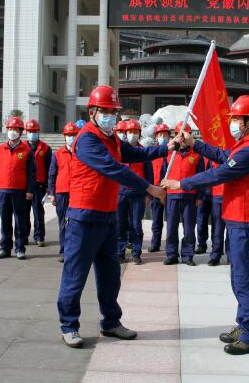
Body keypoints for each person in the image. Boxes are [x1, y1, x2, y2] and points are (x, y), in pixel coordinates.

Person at [56, 85, 167, 348]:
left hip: (107, 217)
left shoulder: (113, 139)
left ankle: (111, 322)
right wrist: (148, 187)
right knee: (75, 275)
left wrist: (167, 147)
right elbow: (114, 169)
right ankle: (69, 325)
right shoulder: (87, 139)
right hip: (83, 218)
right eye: (105, 111)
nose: (110, 116)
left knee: (110, 276)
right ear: (92, 111)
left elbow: (137, 153)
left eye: (113, 112)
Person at [162, 95, 249, 355]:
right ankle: (244, 325)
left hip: (247, 222)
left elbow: (218, 173)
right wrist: (195, 143)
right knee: (239, 277)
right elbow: (222, 156)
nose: (233, 123)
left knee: (247, 279)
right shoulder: (243, 145)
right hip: (239, 220)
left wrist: (182, 184)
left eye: (237, 119)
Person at [0, 117, 36, 260]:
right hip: (3, 190)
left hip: (19, 191)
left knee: (20, 220)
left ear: (21, 132)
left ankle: (20, 248)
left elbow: (31, 173)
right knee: (5, 221)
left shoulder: (27, 151)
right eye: (10, 129)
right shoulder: (0, 149)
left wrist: (29, 190)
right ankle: (5, 248)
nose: (12, 132)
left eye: (15, 129)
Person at [162, 122, 204, 266]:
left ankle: (187, 255)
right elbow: (163, 174)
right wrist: (163, 192)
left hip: (190, 196)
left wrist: (200, 196)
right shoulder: (169, 153)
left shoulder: (197, 155)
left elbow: (202, 177)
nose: (183, 138)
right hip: (172, 195)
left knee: (189, 227)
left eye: (185, 134)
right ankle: (172, 254)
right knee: (171, 227)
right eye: (180, 134)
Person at [117, 119, 153, 265]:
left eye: (135, 132)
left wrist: (148, 194)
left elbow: (149, 175)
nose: (133, 135)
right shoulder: (118, 152)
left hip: (138, 194)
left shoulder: (142, 152)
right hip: (120, 194)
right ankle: (120, 252)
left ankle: (136, 252)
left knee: (136, 225)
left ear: (139, 134)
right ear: (125, 134)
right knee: (120, 225)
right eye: (130, 132)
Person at [48, 122, 79, 263]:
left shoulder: (82, 152)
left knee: (77, 222)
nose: (71, 137)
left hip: (78, 193)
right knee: (63, 223)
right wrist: (52, 193)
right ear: (64, 136)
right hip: (62, 193)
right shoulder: (58, 154)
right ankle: (64, 250)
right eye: (68, 135)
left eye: (73, 135)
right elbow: (52, 174)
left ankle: (76, 250)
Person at [24, 119, 52, 247]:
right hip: (24, 185)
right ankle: (23, 236)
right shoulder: (22, 146)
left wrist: (48, 185)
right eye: (30, 131)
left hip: (39, 185)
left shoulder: (45, 148)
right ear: (25, 132)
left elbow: (49, 168)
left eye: (34, 131)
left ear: (38, 132)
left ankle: (39, 236)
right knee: (23, 212)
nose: (32, 133)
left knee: (38, 213)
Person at [149, 123, 170, 253]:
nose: (163, 137)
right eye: (160, 134)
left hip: (169, 191)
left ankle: (170, 245)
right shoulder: (152, 152)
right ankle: (155, 243)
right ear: (156, 136)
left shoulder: (173, 152)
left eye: (165, 134)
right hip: (156, 191)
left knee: (171, 221)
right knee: (156, 220)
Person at [196, 156, 214, 255]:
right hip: (202, 195)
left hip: (215, 193)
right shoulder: (200, 156)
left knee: (216, 223)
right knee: (201, 221)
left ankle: (216, 247)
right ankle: (202, 245)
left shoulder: (216, 154)